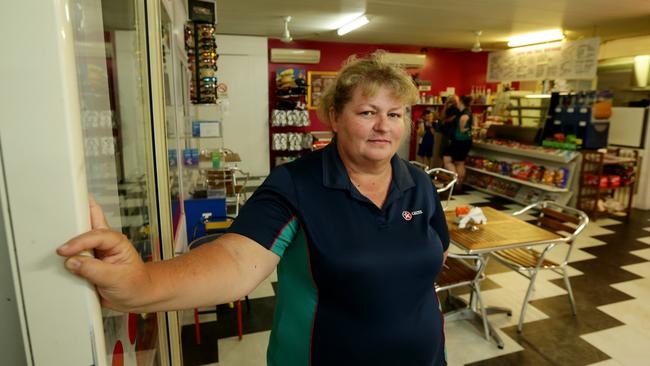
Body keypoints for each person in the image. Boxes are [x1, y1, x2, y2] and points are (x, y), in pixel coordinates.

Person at [57, 51, 450, 366]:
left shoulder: (418, 182)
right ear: (334, 116)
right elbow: (235, 261)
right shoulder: (297, 184)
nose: (384, 125)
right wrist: (141, 283)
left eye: (395, 114)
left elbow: (435, 255)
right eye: (368, 112)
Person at [443, 95, 474, 186]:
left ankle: (456, 182)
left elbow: (464, 118)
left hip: (461, 141)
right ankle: (457, 182)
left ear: (461, 102)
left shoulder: (465, 111)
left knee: (457, 162)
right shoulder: (463, 111)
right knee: (453, 161)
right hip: (460, 141)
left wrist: (461, 127)